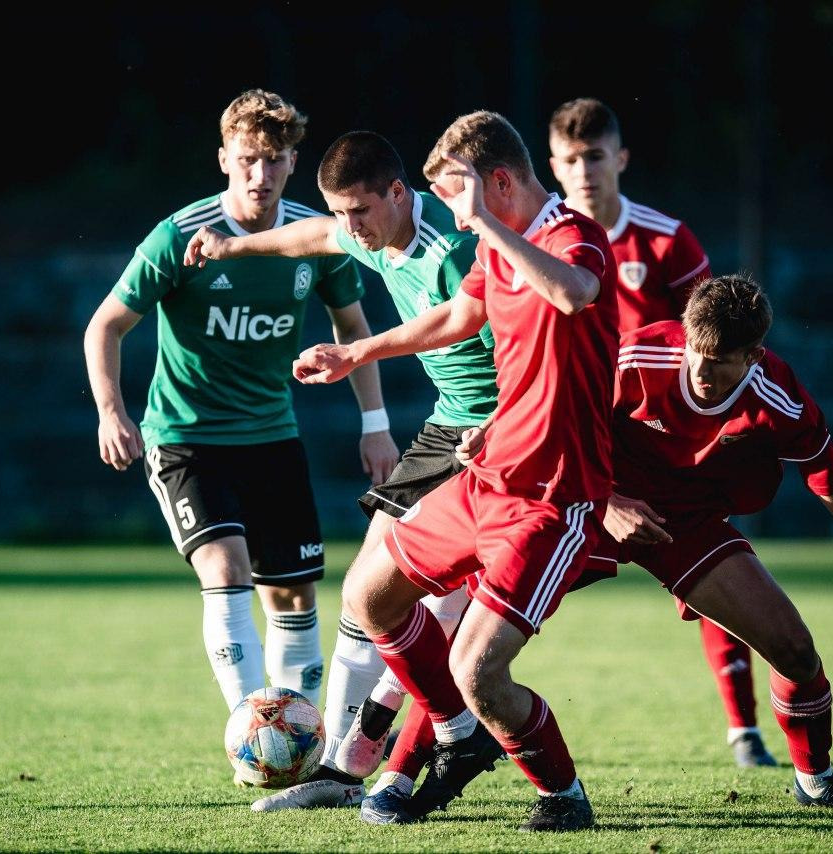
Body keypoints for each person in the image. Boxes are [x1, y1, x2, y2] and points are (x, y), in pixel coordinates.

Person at [292, 110, 620, 832]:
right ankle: (455, 735)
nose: (450, 212)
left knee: (477, 670)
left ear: (498, 182)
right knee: (369, 594)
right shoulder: (495, 248)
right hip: (486, 475)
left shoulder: (572, 235)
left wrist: (489, 226)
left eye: (455, 194)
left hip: (552, 497)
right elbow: (454, 319)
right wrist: (356, 354)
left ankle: (562, 795)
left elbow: (573, 293)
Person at [83, 91, 399, 763]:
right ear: (224, 159)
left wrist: (375, 424)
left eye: (275, 160)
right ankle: (254, 739)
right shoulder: (179, 237)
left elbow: (353, 328)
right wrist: (112, 411)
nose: (261, 174)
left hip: (272, 437)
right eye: (248, 159)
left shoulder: (316, 237)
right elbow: (105, 325)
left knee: (293, 593)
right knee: (226, 567)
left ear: (293, 163)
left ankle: (297, 752)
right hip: (186, 437)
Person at [183, 130, 491, 810]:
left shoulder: (454, 249)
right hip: (447, 426)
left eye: (360, 211)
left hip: (496, 431)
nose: (350, 227)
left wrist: (358, 354)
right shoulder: (364, 230)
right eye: (341, 212)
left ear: (398, 193)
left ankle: (398, 753)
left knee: (440, 609)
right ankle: (341, 767)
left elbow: (493, 336)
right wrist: (231, 247)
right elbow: (312, 237)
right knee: (364, 593)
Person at [603, 273, 833, 809]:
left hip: (685, 526)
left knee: (795, 651)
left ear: (753, 356)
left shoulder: (780, 398)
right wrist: (606, 503)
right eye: (695, 353)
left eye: (719, 361)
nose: (701, 371)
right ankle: (437, 750)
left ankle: (816, 782)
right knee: (487, 618)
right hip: (593, 501)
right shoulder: (635, 358)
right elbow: (555, 430)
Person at [548, 96, 775, 767]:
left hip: (666, 449)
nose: (584, 171)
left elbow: (718, 336)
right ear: (553, 166)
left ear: (620, 158)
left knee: (719, 575)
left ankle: (744, 731)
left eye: (595, 156)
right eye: (570, 159)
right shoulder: (540, 243)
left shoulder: (666, 241)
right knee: (510, 576)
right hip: (578, 444)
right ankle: (447, 723)